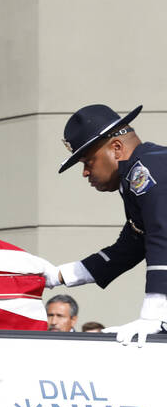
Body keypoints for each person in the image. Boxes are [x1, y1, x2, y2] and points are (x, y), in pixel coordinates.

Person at [45, 104, 167, 346]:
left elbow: (163, 240)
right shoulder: (138, 175)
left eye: (88, 161)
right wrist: (58, 275)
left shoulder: (149, 172)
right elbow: (127, 249)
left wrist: (154, 316)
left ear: (117, 148)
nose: (85, 172)